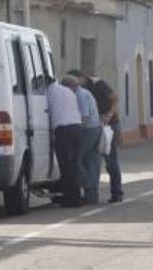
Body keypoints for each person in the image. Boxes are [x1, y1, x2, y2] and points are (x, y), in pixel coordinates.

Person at [69, 69, 123, 203]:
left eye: (76, 81)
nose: (75, 85)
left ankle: (117, 193)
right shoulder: (81, 89)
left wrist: (109, 115)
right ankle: (92, 194)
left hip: (109, 125)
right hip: (96, 125)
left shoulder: (98, 84)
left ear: (81, 77)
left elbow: (115, 99)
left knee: (111, 161)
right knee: (92, 160)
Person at [46, 76, 84, 207]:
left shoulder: (49, 92)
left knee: (65, 165)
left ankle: (71, 199)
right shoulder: (68, 92)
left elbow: (46, 111)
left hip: (64, 130)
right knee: (74, 163)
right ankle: (76, 196)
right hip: (77, 128)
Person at [66, 74, 102, 204]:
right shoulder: (84, 93)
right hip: (95, 128)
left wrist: (75, 134)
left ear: (70, 87)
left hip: (89, 130)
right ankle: (92, 197)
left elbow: (84, 118)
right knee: (91, 162)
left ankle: (87, 185)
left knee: (75, 159)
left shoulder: (80, 96)